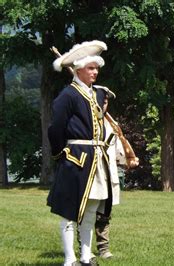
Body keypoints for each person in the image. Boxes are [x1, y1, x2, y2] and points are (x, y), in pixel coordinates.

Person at [47, 40, 111, 266]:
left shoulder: (96, 94)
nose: (95, 72)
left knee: (91, 210)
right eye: (91, 68)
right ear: (78, 70)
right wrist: (60, 153)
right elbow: (55, 128)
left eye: (96, 68)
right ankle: (69, 258)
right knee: (69, 210)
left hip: (95, 158)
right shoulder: (68, 95)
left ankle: (86, 255)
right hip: (76, 158)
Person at [93, 88, 139, 259]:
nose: (103, 104)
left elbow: (118, 148)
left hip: (108, 173)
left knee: (104, 214)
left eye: (106, 101)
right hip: (90, 173)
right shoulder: (84, 120)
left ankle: (103, 249)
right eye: (101, 100)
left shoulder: (111, 125)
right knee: (86, 214)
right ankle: (84, 249)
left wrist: (129, 159)